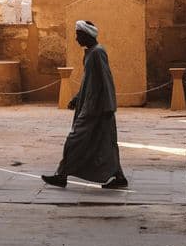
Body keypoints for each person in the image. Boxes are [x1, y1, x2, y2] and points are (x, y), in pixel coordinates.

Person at [42, 20, 128, 189]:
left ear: (87, 35)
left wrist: (108, 107)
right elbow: (88, 81)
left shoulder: (98, 53)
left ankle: (62, 175)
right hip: (90, 106)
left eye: (78, 35)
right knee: (105, 142)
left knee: (75, 140)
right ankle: (119, 177)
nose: (76, 38)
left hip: (97, 108)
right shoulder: (90, 53)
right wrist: (77, 98)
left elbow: (106, 80)